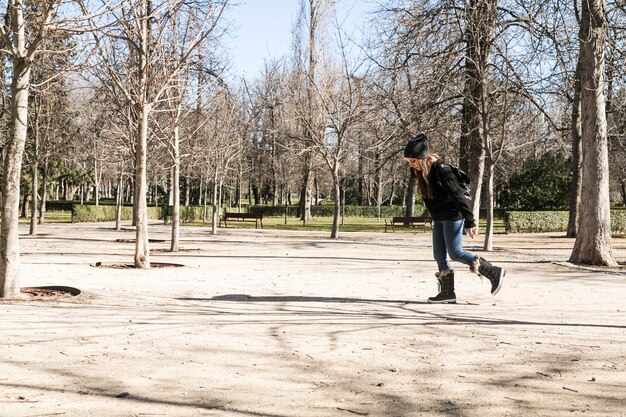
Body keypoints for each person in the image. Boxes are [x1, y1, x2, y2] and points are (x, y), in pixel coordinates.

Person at [403, 133, 505, 304]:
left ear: (422, 158)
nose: (411, 165)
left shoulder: (442, 169)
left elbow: (459, 196)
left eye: (412, 161)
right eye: (408, 162)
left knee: (456, 253)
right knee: (439, 255)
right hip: (440, 218)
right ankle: (447, 293)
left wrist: (469, 220)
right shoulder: (421, 172)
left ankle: (493, 272)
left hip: (452, 216)